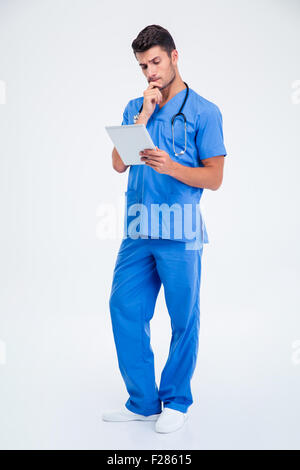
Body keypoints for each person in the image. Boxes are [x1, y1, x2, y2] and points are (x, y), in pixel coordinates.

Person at [102, 24, 227, 434]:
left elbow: (214, 178)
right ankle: (142, 401)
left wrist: (172, 166)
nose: (150, 72)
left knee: (182, 318)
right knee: (124, 308)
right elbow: (120, 165)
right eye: (142, 66)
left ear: (175, 56)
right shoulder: (134, 107)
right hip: (137, 230)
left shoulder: (205, 112)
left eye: (155, 62)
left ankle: (176, 400)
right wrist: (143, 115)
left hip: (181, 231)